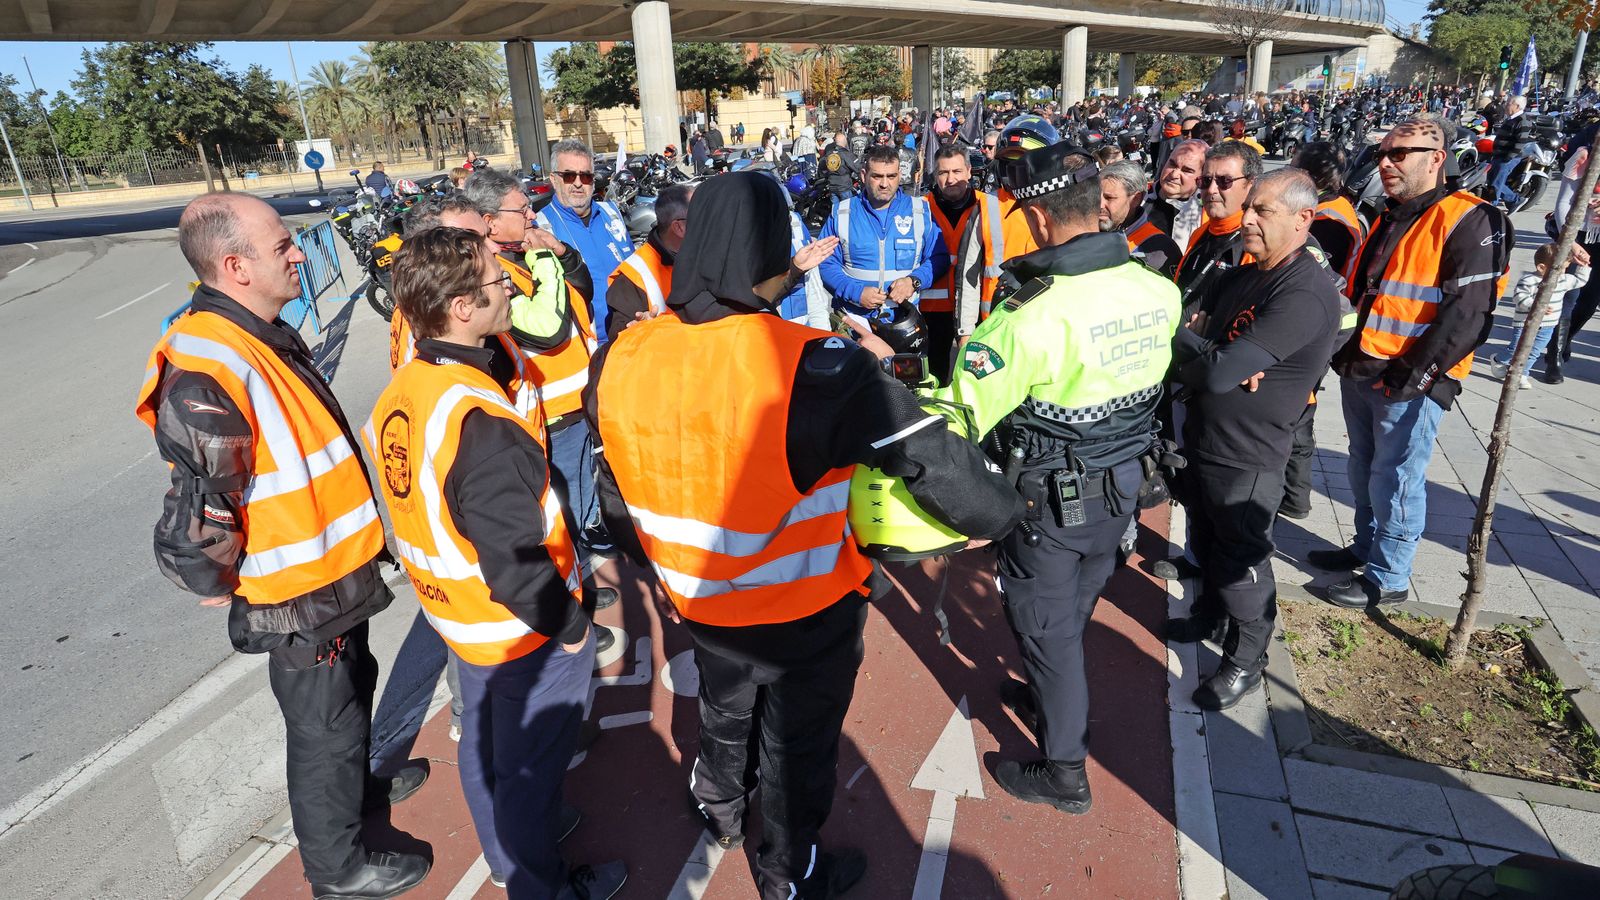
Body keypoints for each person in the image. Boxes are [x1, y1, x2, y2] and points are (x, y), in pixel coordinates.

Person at [588, 173, 1021, 898]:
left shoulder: (623, 357)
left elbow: (615, 498)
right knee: (797, 747)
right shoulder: (815, 362)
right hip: (805, 608)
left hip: (698, 600)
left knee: (725, 714)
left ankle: (720, 808)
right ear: (772, 249)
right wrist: (1009, 517)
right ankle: (788, 872)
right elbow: (933, 459)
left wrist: (669, 568)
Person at [137, 193, 429, 900]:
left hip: (329, 568)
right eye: (282, 247)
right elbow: (204, 501)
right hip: (294, 587)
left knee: (352, 691)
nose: (301, 253)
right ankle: (338, 869)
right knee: (323, 724)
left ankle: (358, 791)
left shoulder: (252, 329)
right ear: (235, 266)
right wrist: (209, 579)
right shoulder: (209, 358)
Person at [370, 227, 626, 900]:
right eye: (494, 280)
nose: (509, 284)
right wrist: (571, 629)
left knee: (489, 763)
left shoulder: (409, 388)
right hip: (520, 635)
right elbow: (516, 565)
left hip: (462, 622)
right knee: (526, 773)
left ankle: (518, 861)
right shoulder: (478, 420)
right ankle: (539, 885)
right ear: (460, 306)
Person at [937, 141, 1178, 813]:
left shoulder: (1028, 315)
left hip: (1049, 503)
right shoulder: (1155, 288)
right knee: (1071, 613)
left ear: (1038, 219)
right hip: (1124, 489)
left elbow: (961, 414)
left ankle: (1064, 769)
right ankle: (1050, 696)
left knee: (1046, 628)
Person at [1163, 170, 1343, 709]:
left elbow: (1218, 369)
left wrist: (1206, 350)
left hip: (1248, 452)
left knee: (1240, 560)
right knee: (1207, 540)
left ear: (1302, 218)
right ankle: (1211, 614)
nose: (1246, 220)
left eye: (1263, 211)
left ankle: (1247, 658)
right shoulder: (1247, 273)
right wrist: (1207, 347)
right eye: (1251, 209)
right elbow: (1196, 332)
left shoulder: (1304, 292)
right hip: (1205, 435)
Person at [1314, 118, 1510, 607]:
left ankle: (1389, 575)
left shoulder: (1471, 218)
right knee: (1364, 469)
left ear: (1436, 158)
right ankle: (1366, 547)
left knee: (1397, 478)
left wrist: (1415, 375)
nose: (1385, 162)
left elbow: (1468, 315)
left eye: (1399, 154)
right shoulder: (1391, 212)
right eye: (1383, 152)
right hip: (1364, 367)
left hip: (1409, 381)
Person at [465, 169, 619, 625]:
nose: (533, 215)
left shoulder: (523, 255)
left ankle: (579, 587)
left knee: (577, 506)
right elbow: (548, 329)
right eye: (523, 209)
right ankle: (572, 608)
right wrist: (545, 259)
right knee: (560, 514)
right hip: (550, 416)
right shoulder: (491, 273)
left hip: (575, 406)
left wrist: (561, 252)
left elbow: (582, 294)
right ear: (491, 222)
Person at [952, 115, 1058, 341]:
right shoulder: (988, 205)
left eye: (1024, 163)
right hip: (994, 326)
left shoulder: (1064, 203)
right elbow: (968, 273)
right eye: (1010, 162)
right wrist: (965, 332)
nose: (1016, 171)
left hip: (1049, 323)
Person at [818, 144, 947, 331]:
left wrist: (914, 281)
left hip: (905, 321)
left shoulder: (920, 211)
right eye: (877, 176)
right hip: (855, 321)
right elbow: (826, 263)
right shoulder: (842, 213)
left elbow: (939, 257)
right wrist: (856, 292)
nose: (885, 184)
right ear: (863, 175)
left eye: (891, 176)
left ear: (900, 175)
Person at [534, 140, 634, 343]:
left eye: (586, 176)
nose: (578, 183)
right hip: (590, 345)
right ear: (554, 179)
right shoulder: (540, 226)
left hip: (632, 333)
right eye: (569, 176)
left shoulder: (611, 212)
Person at [924, 144, 991, 383]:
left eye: (957, 171)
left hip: (977, 311)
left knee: (976, 378)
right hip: (932, 311)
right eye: (943, 173)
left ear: (969, 171)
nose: (951, 179)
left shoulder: (988, 207)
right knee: (934, 377)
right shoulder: (921, 207)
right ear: (935, 175)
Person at [1488, 242, 1592, 388]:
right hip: (1526, 322)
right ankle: (1500, 360)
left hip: (1548, 324)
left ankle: (1522, 374)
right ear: (1541, 267)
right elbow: (1519, 298)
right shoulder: (1529, 280)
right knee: (1517, 348)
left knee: (1534, 351)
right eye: (1560, 269)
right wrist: (1536, 306)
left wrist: (1583, 265)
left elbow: (1579, 281)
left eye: (1565, 268)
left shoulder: (1562, 280)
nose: (1563, 272)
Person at [1175, 141, 1263, 301]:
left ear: (1251, 185)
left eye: (1224, 181)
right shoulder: (1199, 233)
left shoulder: (1257, 243)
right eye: (1206, 181)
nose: (1211, 190)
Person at [606, 182, 694, 336]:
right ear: (679, 227)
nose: (709, 222)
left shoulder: (704, 255)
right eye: (702, 216)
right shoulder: (631, 279)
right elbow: (619, 341)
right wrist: (638, 330)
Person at [1099, 159, 1181, 279]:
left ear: (1136, 199)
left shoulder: (1159, 250)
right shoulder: (1085, 228)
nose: (1100, 204)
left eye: (1109, 198)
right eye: (1096, 196)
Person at [1145, 139, 1207, 249]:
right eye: (1172, 164)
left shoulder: (1206, 214)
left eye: (1187, 170)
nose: (1174, 174)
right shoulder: (1137, 196)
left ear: (1201, 177)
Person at [1487, 95, 1534, 210]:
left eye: (1508, 103)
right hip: (1499, 156)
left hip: (1507, 158)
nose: (1505, 105)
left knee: (1495, 184)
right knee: (1493, 181)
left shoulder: (1522, 121)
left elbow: (1520, 143)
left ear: (1517, 106)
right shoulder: (1511, 119)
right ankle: (1515, 200)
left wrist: (1508, 158)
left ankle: (1491, 207)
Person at [819, 131, 860, 201]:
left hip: (832, 187)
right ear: (844, 142)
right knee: (846, 210)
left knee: (835, 210)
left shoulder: (829, 154)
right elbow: (858, 168)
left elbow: (821, 166)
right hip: (844, 187)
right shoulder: (846, 154)